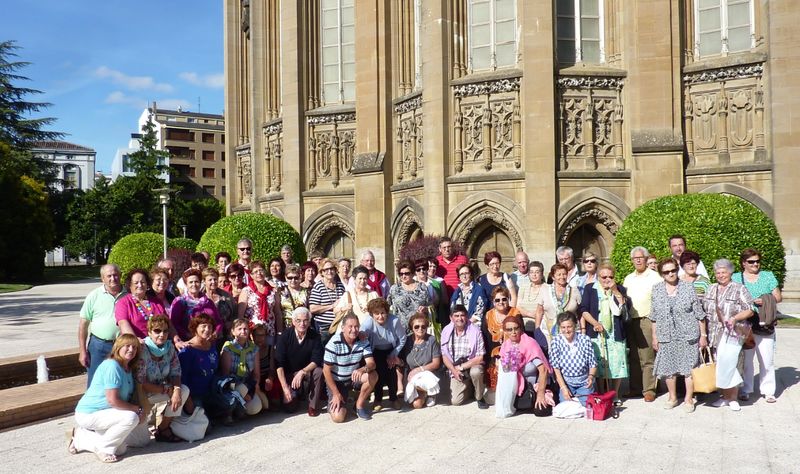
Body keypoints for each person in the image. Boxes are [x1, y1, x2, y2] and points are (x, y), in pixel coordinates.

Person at [69, 334, 147, 463]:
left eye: (134, 347)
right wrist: (137, 409)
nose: (131, 350)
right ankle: (104, 449)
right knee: (131, 417)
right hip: (90, 413)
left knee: (131, 445)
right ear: (117, 348)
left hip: (108, 412)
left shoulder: (127, 368)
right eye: (127, 346)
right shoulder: (112, 366)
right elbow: (112, 400)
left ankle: (81, 438)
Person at [649, 258, 707, 412]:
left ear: (677, 270)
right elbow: (653, 316)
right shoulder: (656, 289)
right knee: (669, 369)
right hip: (666, 334)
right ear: (662, 274)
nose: (670, 274)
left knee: (689, 368)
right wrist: (654, 337)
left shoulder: (688, 287)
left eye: (673, 270)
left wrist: (703, 335)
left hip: (688, 334)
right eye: (666, 272)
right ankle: (672, 397)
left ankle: (688, 399)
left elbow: (699, 314)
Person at [703, 259, 754, 411]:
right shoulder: (711, 288)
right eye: (718, 272)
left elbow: (750, 309)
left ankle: (733, 398)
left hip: (733, 333)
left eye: (724, 272)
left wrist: (735, 318)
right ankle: (724, 396)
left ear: (730, 273)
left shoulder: (739, 288)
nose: (720, 275)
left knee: (733, 364)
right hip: (714, 333)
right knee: (720, 365)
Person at [733, 248, 782, 403]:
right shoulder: (736, 277)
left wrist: (766, 299)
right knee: (746, 359)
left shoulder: (768, 276)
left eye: (757, 261)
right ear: (743, 263)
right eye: (751, 262)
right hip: (745, 323)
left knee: (766, 359)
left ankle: (768, 390)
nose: (755, 264)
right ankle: (746, 388)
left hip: (764, 321)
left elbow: (778, 297)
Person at [579, 263, 630, 405]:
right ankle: (602, 393)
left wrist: (615, 291)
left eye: (610, 276)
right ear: (598, 277)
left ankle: (614, 394)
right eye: (603, 277)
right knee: (599, 364)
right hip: (597, 331)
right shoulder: (590, 289)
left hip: (615, 332)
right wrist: (594, 323)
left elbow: (623, 308)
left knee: (617, 364)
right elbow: (583, 309)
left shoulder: (619, 289)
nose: (607, 279)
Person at [135, 315, 189, 442]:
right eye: (157, 331)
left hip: (162, 389)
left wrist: (176, 391)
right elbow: (141, 382)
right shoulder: (142, 349)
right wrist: (166, 389)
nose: (161, 335)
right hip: (142, 393)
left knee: (184, 390)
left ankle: (163, 428)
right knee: (141, 443)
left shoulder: (170, 347)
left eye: (165, 331)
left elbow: (176, 372)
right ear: (149, 332)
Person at [622, 246, 662, 402]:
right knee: (633, 356)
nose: (638, 260)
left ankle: (649, 389)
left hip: (647, 319)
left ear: (646, 259)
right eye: (635, 258)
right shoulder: (628, 278)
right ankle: (635, 388)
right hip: (631, 320)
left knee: (647, 356)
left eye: (640, 257)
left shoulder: (655, 277)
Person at [323, 313, 378, 422]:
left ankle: (358, 406)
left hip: (353, 378)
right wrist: (336, 393)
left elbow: (372, 363)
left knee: (373, 375)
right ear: (343, 328)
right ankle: (336, 401)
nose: (354, 330)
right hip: (337, 381)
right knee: (338, 418)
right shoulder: (334, 342)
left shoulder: (363, 340)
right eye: (350, 326)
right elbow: (326, 370)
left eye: (356, 326)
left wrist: (362, 369)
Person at [496, 315, 553, 417]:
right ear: (505, 331)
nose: (513, 332)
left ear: (520, 328)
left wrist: (540, 394)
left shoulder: (529, 343)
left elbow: (543, 370)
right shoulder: (506, 346)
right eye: (509, 329)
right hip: (515, 388)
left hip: (535, 387)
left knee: (541, 411)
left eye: (516, 328)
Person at [79, 264, 124, 387]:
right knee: (95, 382)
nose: (113, 278)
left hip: (122, 346)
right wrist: (82, 351)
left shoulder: (128, 295)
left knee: (120, 380)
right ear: (102, 278)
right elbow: (83, 324)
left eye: (115, 275)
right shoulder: (94, 296)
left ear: (120, 276)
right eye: (108, 276)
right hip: (99, 346)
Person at [275, 307, 325, 416]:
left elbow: (316, 360)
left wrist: (303, 371)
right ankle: (295, 395)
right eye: (298, 320)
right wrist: (285, 388)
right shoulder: (284, 337)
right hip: (290, 375)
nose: (302, 323)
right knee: (290, 408)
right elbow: (279, 364)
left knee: (319, 371)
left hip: (306, 372)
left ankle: (313, 406)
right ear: (293, 322)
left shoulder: (315, 336)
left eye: (305, 320)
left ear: (309, 321)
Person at [178, 314, 228, 422]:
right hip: (195, 394)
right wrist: (188, 401)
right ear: (195, 328)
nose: (207, 329)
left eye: (210, 327)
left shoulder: (212, 345)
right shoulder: (187, 350)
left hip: (212, 391)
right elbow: (183, 378)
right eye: (204, 326)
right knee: (206, 427)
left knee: (231, 406)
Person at [360, 298, 406, 410]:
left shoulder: (394, 321)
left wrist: (393, 354)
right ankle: (378, 399)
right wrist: (362, 335)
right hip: (375, 350)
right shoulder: (368, 321)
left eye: (383, 313)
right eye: (376, 313)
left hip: (392, 349)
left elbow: (403, 338)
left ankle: (394, 398)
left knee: (391, 373)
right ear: (371, 314)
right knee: (378, 372)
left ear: (387, 312)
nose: (380, 316)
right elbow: (361, 334)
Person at [440, 305, 487, 408]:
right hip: (456, 368)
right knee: (456, 401)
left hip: (472, 364)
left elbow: (480, 357)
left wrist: (461, 367)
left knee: (476, 372)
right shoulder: (446, 331)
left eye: (462, 315)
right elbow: (444, 356)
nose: (459, 318)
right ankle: (470, 388)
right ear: (451, 318)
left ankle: (479, 397)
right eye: (456, 316)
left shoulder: (476, 331)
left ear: (466, 316)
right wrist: (454, 370)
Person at [482, 287, 520, 404]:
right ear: (493, 302)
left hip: (512, 354)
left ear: (508, 300)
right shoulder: (488, 315)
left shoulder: (515, 313)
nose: (501, 302)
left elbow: (519, 336)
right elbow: (485, 339)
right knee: (492, 399)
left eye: (504, 299)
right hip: (493, 356)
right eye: (497, 300)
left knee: (509, 391)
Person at [549, 312, 597, 406]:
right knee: (566, 405)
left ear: (575, 325)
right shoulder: (556, 342)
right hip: (567, 382)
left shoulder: (585, 340)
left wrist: (591, 376)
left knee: (588, 406)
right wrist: (563, 387)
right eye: (563, 327)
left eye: (569, 327)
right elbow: (556, 368)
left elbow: (592, 363)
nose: (566, 330)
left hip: (584, 382)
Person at [220, 319, 266, 417]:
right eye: (239, 329)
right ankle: (231, 410)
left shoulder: (253, 348)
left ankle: (242, 406)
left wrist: (254, 388)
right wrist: (242, 391)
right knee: (242, 390)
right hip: (232, 383)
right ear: (233, 331)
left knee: (255, 408)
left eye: (245, 329)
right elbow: (225, 375)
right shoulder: (228, 348)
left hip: (247, 382)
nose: (243, 331)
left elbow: (256, 374)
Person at [399, 312, 442, 409]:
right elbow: (402, 361)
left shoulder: (432, 340)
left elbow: (436, 363)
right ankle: (425, 392)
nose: (420, 329)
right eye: (416, 327)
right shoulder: (407, 341)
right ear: (412, 328)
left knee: (417, 404)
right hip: (412, 377)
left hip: (429, 374)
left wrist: (418, 370)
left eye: (423, 327)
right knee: (416, 405)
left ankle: (431, 392)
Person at [171, 269, 223, 346]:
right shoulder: (180, 302)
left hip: (209, 343)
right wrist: (190, 335)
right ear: (186, 284)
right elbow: (174, 324)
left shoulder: (208, 302)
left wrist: (215, 333)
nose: (194, 284)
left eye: (196, 281)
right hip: (189, 343)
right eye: (191, 282)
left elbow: (218, 321)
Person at [536, 263, 580, 351]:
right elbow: (539, 311)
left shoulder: (574, 290)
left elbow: (580, 312)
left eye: (564, 274)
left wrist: (583, 329)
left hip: (570, 331)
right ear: (553, 277)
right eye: (559, 274)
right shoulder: (544, 289)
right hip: (548, 331)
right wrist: (537, 329)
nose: (562, 277)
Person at [237, 261, 281, 344]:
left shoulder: (273, 291)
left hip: (269, 330)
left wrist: (279, 332)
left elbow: (277, 312)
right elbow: (240, 315)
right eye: (255, 272)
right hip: (252, 332)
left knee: (269, 355)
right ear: (251, 275)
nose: (259, 273)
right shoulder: (246, 291)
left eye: (261, 270)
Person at [115, 268, 166, 340]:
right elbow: (123, 324)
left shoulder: (156, 302)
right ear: (130, 285)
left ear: (147, 284)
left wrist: (176, 340)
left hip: (159, 345)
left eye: (143, 282)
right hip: (137, 346)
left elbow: (168, 323)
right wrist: (135, 340)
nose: (140, 285)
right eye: (136, 283)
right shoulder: (123, 303)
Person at [309, 258, 347, 342]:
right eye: (326, 269)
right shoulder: (318, 287)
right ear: (322, 272)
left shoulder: (340, 286)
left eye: (331, 268)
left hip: (339, 325)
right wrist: (331, 306)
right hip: (323, 328)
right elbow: (312, 309)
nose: (329, 271)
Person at [387, 259, 431, 331]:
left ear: (413, 273)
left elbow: (430, 306)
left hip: (418, 329)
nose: (403, 276)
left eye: (407, 273)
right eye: (401, 274)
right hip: (398, 330)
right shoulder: (394, 288)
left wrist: (425, 309)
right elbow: (387, 306)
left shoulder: (422, 287)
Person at [202, 268, 237, 340]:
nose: (213, 282)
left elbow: (235, 313)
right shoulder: (200, 297)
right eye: (210, 280)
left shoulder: (226, 296)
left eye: (215, 279)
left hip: (226, 334)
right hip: (207, 335)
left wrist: (231, 322)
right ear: (204, 281)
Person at [517, 261, 545, 334]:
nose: (534, 275)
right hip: (523, 327)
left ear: (542, 274)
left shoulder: (547, 288)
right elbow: (518, 307)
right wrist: (530, 314)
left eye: (537, 272)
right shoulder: (523, 287)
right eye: (532, 272)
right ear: (529, 274)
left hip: (541, 328)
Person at [278, 264, 310, 330]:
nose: (293, 280)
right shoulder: (280, 292)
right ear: (285, 277)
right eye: (290, 278)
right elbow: (278, 313)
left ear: (300, 277)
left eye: (296, 278)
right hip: (286, 327)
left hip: (302, 327)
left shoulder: (306, 292)